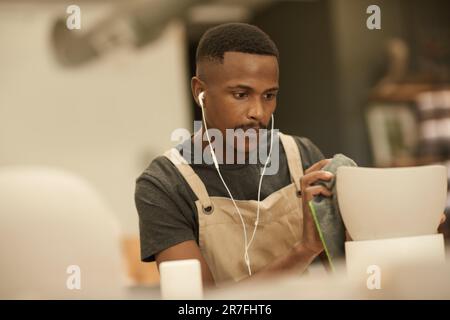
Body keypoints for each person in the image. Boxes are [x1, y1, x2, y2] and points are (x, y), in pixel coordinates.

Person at [134, 22, 446, 287]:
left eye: (269, 96)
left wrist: (402, 229)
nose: (258, 113)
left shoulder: (302, 155)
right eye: (240, 94)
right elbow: (200, 306)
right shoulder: (163, 185)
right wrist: (303, 249)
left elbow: (346, 271)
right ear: (199, 91)